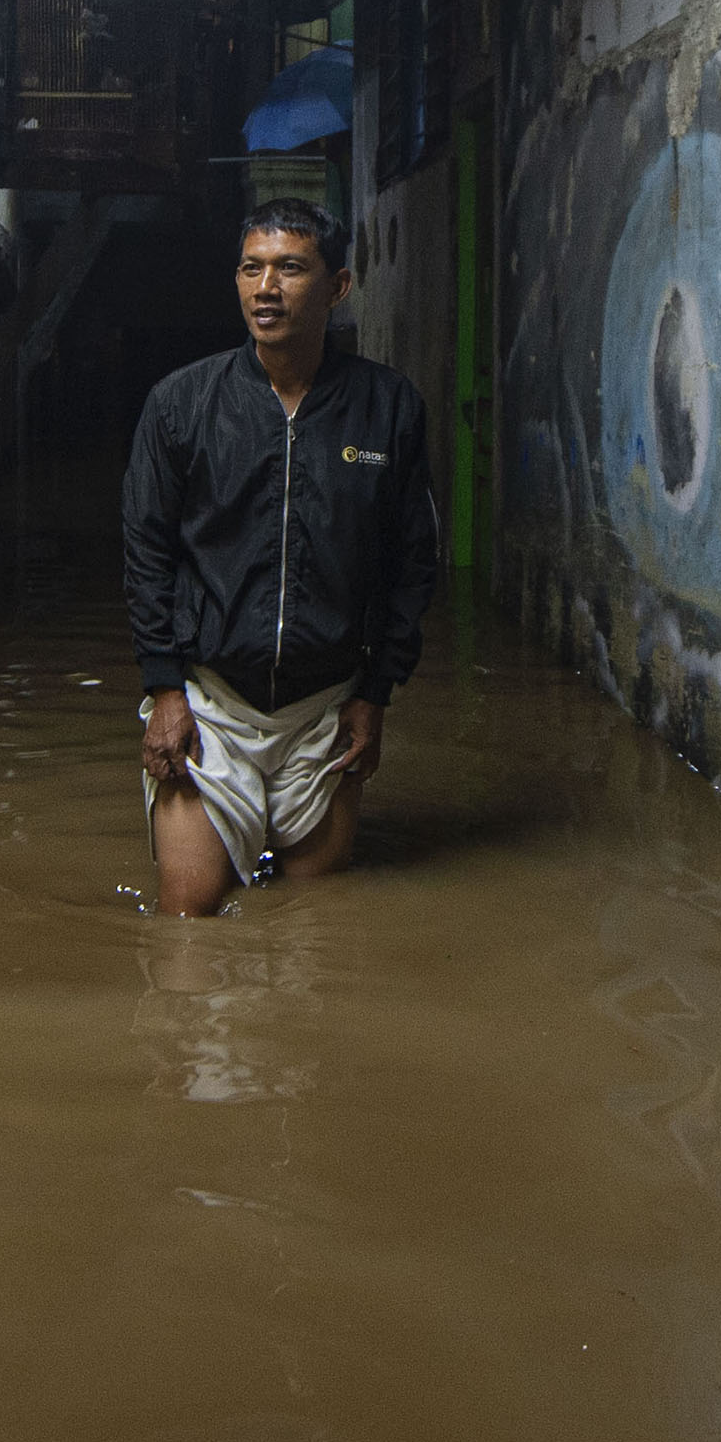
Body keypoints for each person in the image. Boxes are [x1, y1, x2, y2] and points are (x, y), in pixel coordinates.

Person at [122, 199, 441, 914]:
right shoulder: (182, 404)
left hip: (326, 705)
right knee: (188, 909)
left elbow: (411, 562)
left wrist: (375, 693)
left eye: (291, 268)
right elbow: (147, 552)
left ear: (337, 286)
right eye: (251, 267)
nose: (266, 287)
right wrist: (165, 687)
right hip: (212, 703)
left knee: (311, 923)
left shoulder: (388, 408)